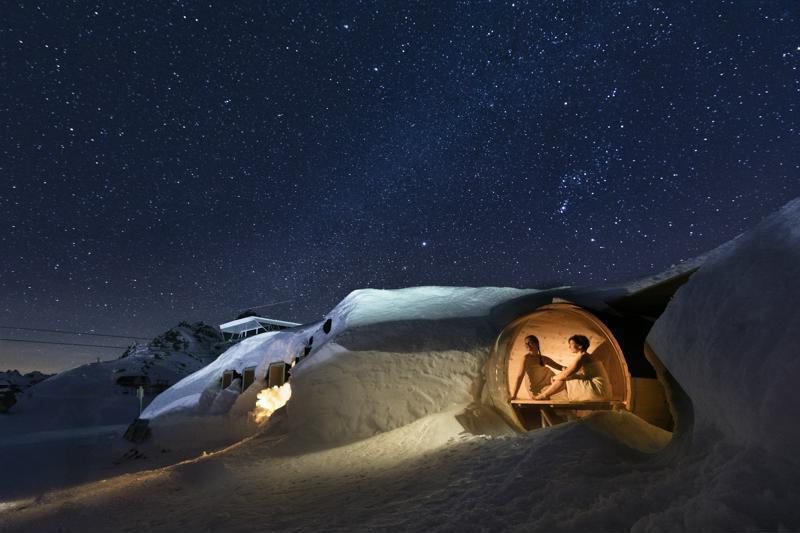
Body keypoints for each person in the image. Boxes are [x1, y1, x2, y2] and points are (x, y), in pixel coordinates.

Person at [532, 334, 610, 401]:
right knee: (566, 378)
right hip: (602, 390)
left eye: (571, 344)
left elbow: (567, 374)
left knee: (564, 379)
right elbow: (571, 371)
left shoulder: (583, 356)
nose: (569, 346)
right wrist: (562, 373)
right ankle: (545, 395)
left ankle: (544, 395)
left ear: (580, 346)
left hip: (598, 389)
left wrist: (555, 377)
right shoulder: (585, 356)